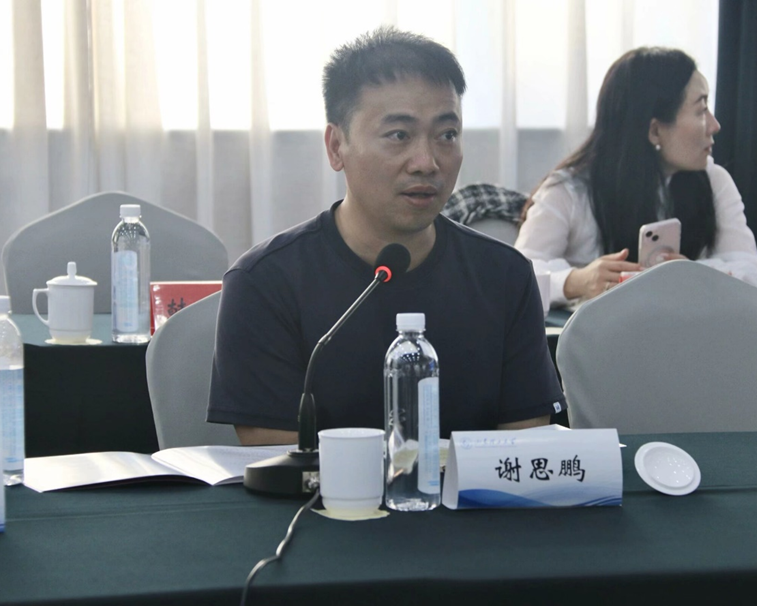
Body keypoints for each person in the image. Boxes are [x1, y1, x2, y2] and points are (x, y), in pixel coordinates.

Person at [208, 27, 566, 446]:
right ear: (336, 146)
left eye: (447, 135)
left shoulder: (505, 276)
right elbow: (276, 462)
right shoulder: (265, 282)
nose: (426, 162)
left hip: (476, 493)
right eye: (399, 135)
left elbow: (524, 456)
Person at [515, 47, 757, 308]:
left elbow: (754, 272)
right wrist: (576, 281)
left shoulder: (714, 180)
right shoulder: (569, 190)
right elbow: (518, 273)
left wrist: (696, 274)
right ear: (655, 131)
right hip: (594, 332)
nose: (715, 125)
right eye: (701, 109)